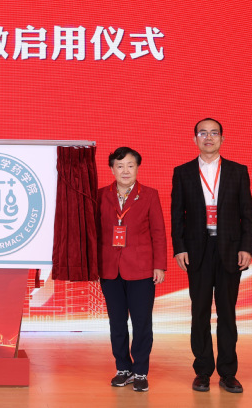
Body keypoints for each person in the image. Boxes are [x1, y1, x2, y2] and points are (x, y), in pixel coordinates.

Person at [170, 118, 252, 394]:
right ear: (194, 138)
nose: (208, 137)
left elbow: (247, 213)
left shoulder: (237, 171)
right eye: (203, 133)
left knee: (227, 313)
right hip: (197, 250)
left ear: (222, 138)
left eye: (214, 133)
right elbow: (177, 215)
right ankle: (203, 371)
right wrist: (179, 247)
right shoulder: (182, 172)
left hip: (230, 249)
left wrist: (247, 247)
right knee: (200, 312)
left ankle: (228, 373)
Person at [98, 147, 166, 393]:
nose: (125, 170)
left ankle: (140, 371)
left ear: (137, 168)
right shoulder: (100, 195)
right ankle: (123, 369)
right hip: (109, 269)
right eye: (119, 166)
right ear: (112, 169)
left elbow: (158, 232)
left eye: (130, 165)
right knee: (116, 322)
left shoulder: (149, 195)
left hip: (142, 270)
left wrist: (159, 265)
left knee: (141, 323)